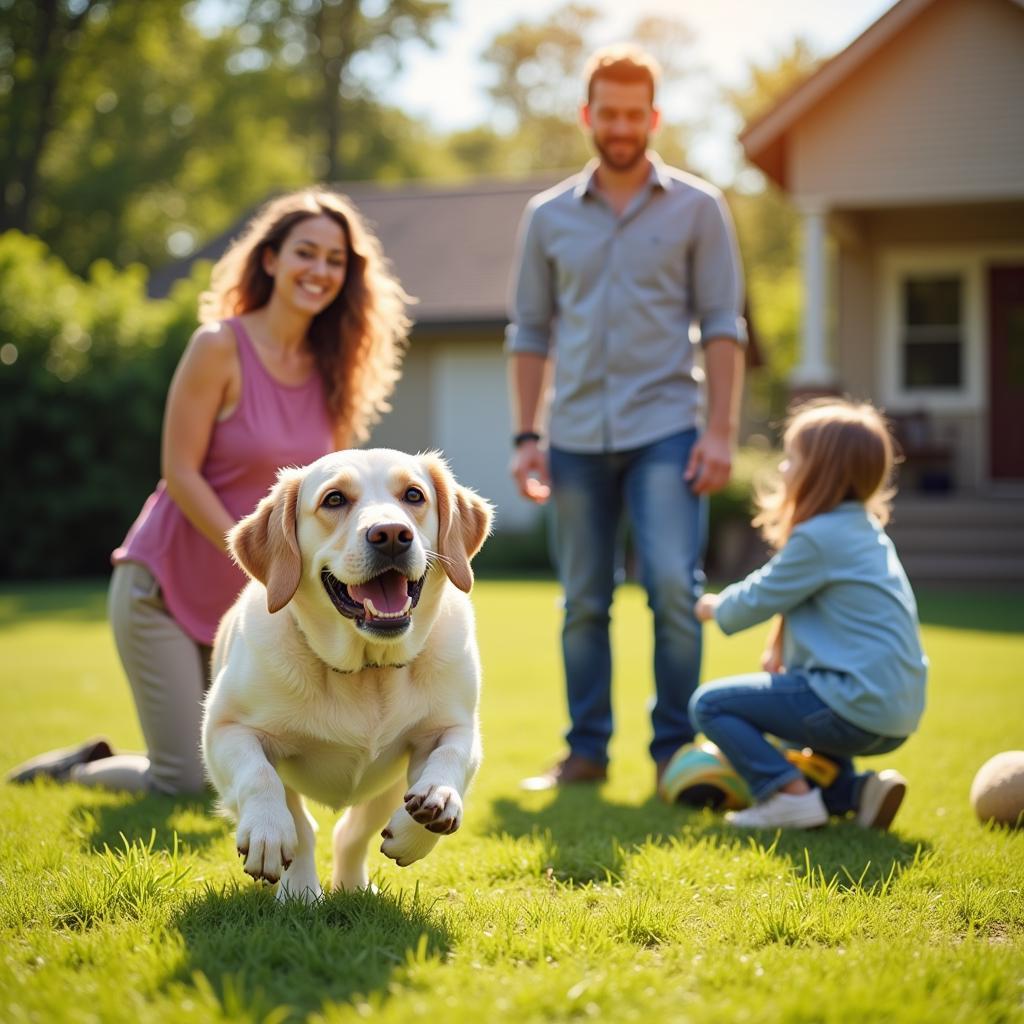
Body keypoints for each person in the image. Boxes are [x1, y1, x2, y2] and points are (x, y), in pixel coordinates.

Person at [8, 188, 411, 794]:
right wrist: (259, 555)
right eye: (307, 252)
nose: (321, 271)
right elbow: (179, 470)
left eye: (336, 261)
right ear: (270, 259)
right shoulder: (219, 346)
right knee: (186, 779)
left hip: (253, 602)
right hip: (163, 590)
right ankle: (79, 768)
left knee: (247, 760)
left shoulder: (336, 372)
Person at [506, 45, 747, 791]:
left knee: (674, 587)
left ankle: (675, 749)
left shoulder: (699, 208)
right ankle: (585, 752)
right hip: (574, 436)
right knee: (583, 601)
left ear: (654, 117)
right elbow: (529, 332)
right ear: (587, 115)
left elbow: (723, 326)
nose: (619, 126)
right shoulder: (546, 218)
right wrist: (525, 437)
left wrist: (721, 430)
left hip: (668, 429)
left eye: (632, 114)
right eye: (606, 112)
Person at [689, 399, 928, 830]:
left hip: (852, 702)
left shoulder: (819, 537)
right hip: (895, 708)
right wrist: (777, 645)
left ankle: (787, 795)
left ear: (821, 473)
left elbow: (762, 594)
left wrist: (713, 606)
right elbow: (803, 598)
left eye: (791, 459)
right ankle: (857, 793)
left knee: (711, 705)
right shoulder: (862, 531)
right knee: (790, 713)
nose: (783, 468)